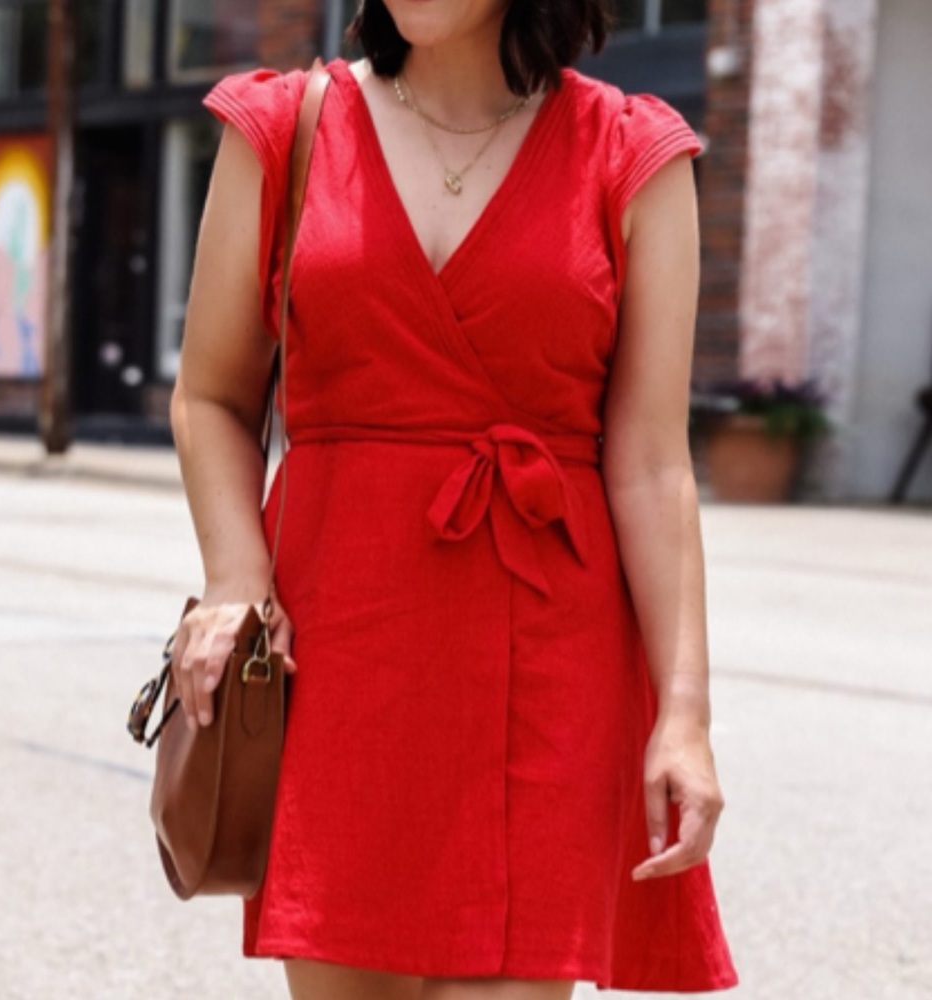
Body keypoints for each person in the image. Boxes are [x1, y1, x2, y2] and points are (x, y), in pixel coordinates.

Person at [168, 0, 738, 997]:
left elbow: (650, 462)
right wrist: (233, 580)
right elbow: (211, 394)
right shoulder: (285, 126)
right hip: (338, 643)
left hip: (551, 654)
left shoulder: (633, 150)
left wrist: (682, 712)